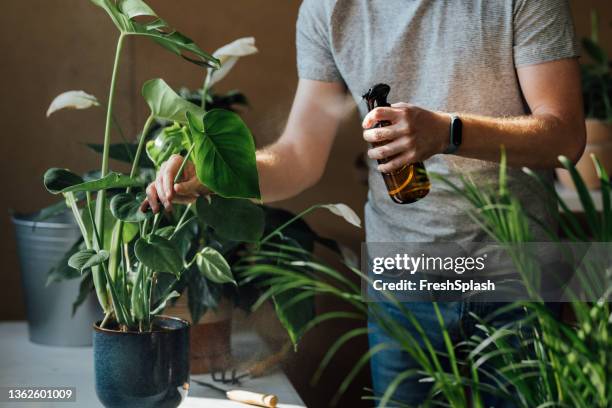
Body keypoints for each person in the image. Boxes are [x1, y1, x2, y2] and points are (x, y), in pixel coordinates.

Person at [142, 0, 585, 405]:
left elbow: (564, 136)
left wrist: (448, 132)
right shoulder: (328, 10)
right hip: (402, 281)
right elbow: (298, 156)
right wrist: (212, 175)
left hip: (517, 275)